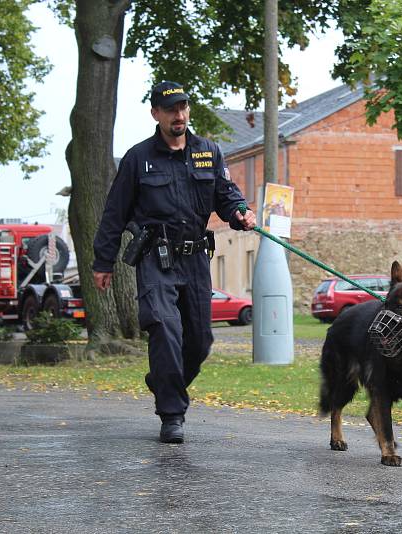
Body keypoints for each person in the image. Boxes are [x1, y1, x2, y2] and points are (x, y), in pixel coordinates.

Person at [92, 81, 256, 443]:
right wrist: (102, 262)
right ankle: (172, 415)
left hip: (196, 258)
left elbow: (227, 196)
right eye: (171, 110)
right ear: (156, 114)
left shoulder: (208, 152)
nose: (179, 115)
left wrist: (240, 212)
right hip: (155, 258)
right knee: (165, 328)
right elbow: (114, 214)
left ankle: (164, 380)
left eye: (183, 108)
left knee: (200, 341)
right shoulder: (138, 158)